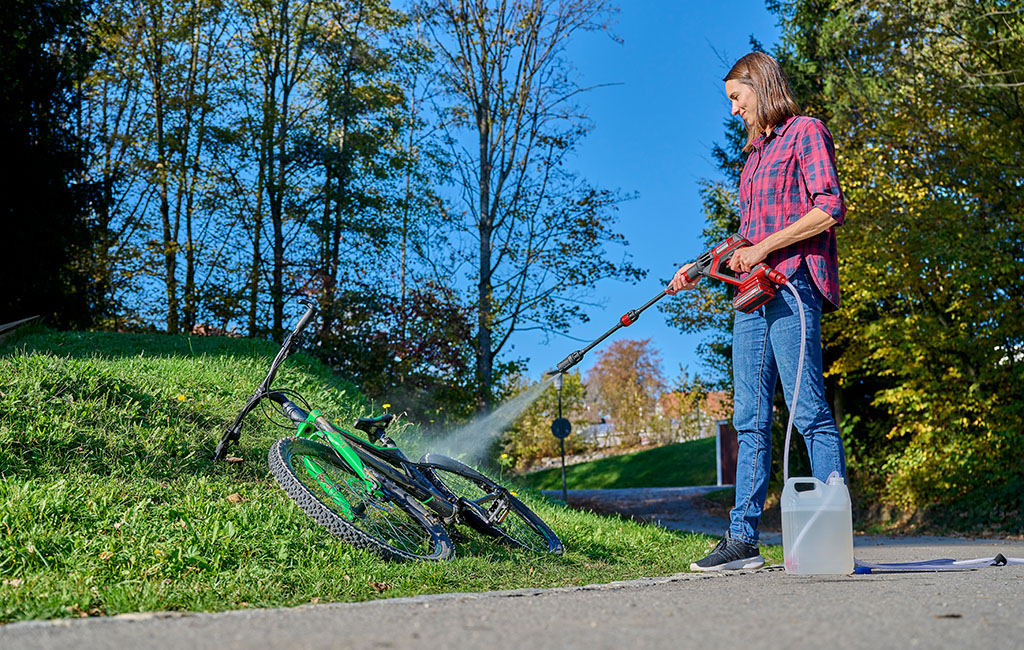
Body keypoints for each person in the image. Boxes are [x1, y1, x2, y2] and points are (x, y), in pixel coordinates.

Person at [667, 52, 847, 571]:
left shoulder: (805, 132)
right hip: (751, 296)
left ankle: (829, 527)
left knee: (808, 409)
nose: (733, 110)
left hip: (792, 288)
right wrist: (700, 268)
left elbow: (828, 207)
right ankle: (742, 539)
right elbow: (745, 237)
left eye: (735, 97)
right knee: (748, 419)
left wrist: (766, 246)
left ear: (760, 86)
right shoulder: (752, 158)